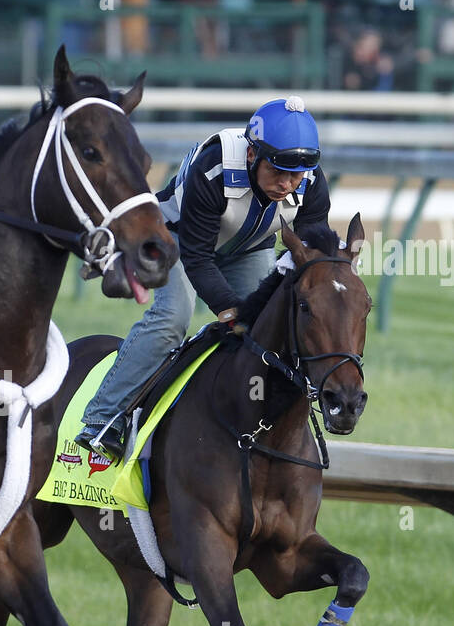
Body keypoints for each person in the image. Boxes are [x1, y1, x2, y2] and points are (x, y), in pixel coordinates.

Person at [76, 95, 331, 459]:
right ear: (251, 155)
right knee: (173, 316)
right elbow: (196, 255)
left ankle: (259, 425)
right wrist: (229, 308)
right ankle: (103, 418)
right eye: (277, 171)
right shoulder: (214, 167)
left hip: (247, 249)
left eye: (296, 174)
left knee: (273, 324)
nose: (288, 184)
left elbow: (309, 254)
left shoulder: (311, 181)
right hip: (174, 240)